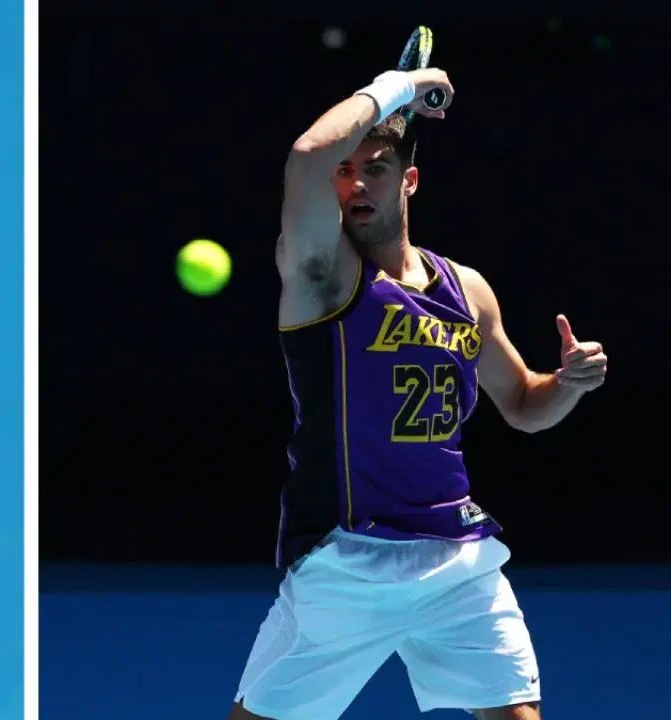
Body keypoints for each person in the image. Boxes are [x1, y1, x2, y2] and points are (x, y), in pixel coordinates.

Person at [228, 66, 607, 720]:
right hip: (347, 560)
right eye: (345, 171)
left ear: (409, 181)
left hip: (456, 559)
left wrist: (567, 384)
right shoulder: (323, 275)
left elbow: (523, 405)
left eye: (374, 169)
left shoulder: (466, 290)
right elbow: (307, 154)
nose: (354, 184)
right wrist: (400, 84)